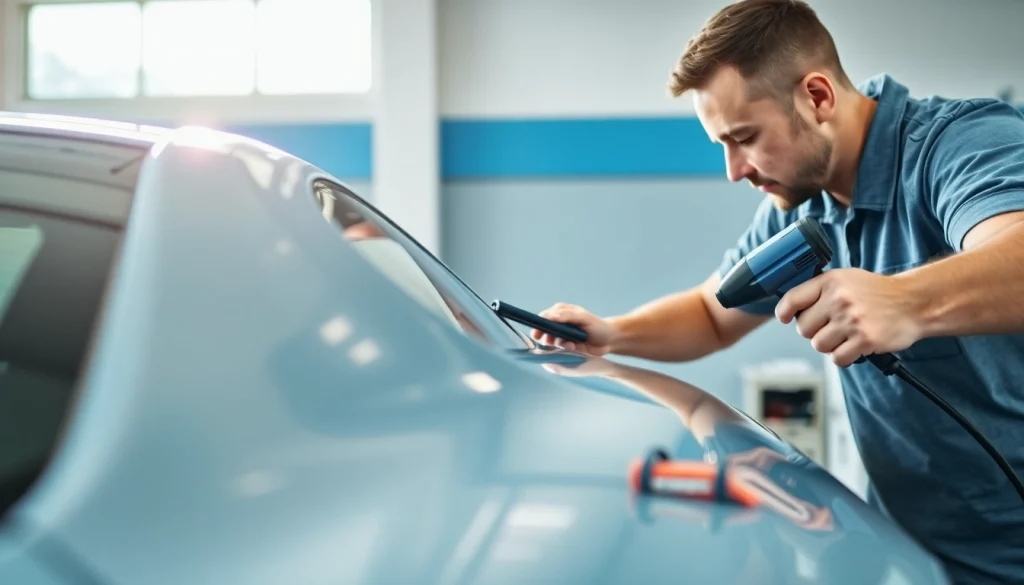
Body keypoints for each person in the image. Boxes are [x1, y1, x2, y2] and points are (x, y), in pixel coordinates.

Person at [534, 0, 1024, 583]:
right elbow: (711, 316)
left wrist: (905, 301)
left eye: (744, 138)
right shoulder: (801, 204)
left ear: (817, 97)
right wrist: (613, 333)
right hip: (911, 551)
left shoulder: (958, 144)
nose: (733, 171)